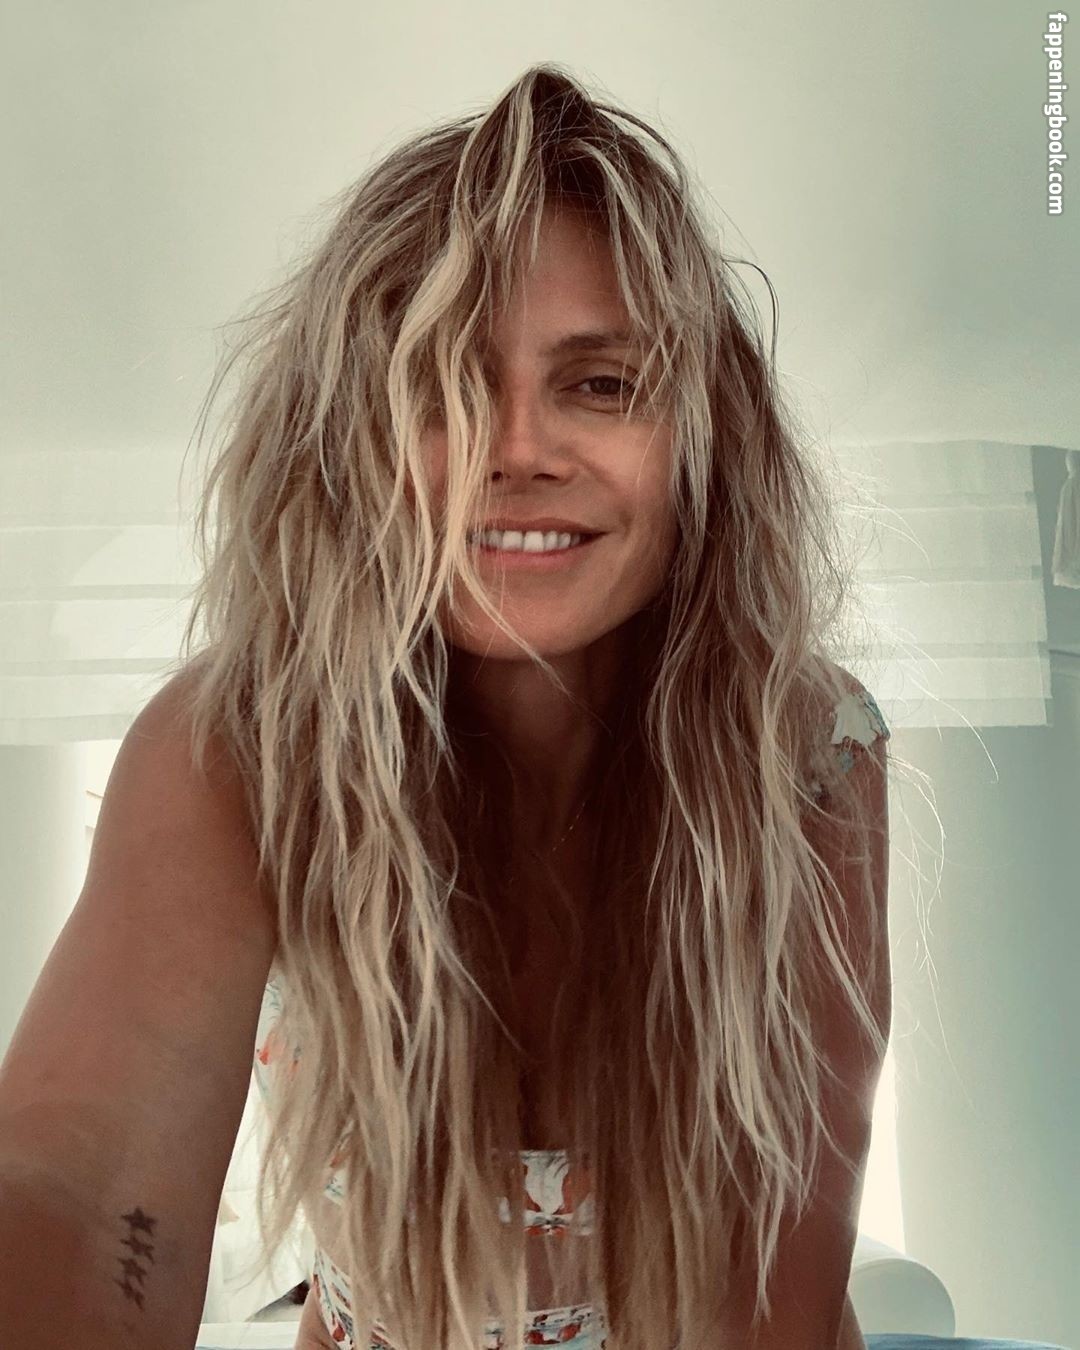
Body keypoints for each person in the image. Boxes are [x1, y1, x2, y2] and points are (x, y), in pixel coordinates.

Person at [0, 64, 894, 1350]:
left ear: (708, 435)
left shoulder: (805, 749)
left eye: (601, 384)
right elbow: (83, 1197)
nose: (514, 448)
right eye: (437, 389)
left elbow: (775, 1282)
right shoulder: (236, 753)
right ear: (346, 442)